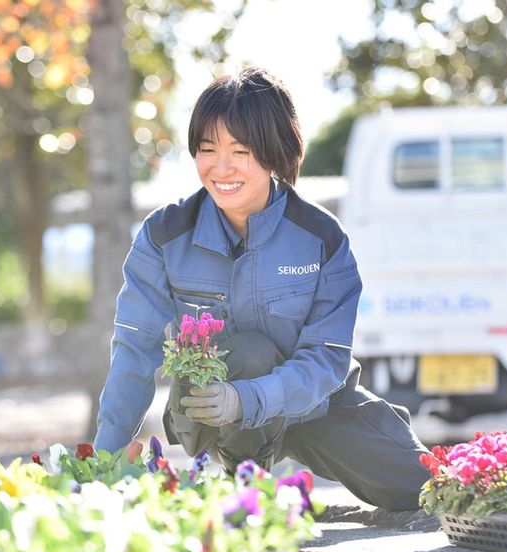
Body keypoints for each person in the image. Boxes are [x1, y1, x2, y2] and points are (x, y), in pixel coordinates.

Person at [93, 67, 430, 511]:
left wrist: (248, 399)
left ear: (274, 151)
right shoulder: (164, 235)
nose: (221, 167)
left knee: (423, 488)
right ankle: (244, 489)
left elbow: (327, 359)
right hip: (214, 414)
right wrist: (104, 461)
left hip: (315, 406)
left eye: (241, 150)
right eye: (208, 149)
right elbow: (135, 351)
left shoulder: (321, 237)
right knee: (250, 352)